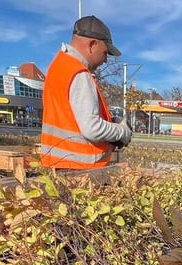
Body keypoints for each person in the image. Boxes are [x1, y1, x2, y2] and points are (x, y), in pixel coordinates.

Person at [39, 15, 132, 169]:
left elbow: (70, 121)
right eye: (105, 52)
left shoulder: (58, 67)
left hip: (57, 164)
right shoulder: (79, 73)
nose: (105, 60)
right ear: (92, 45)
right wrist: (122, 132)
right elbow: (92, 129)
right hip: (79, 170)